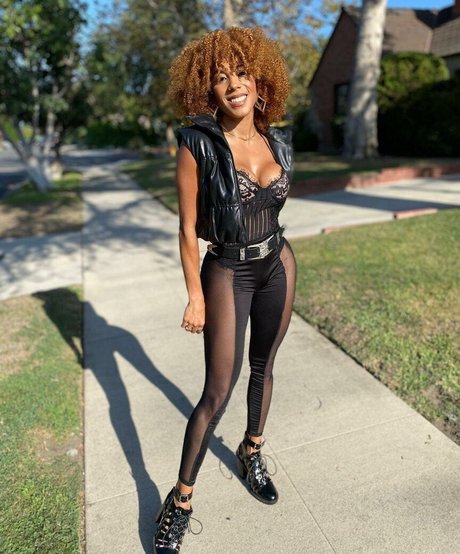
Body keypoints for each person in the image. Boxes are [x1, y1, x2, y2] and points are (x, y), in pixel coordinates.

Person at [154, 26, 296, 553]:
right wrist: (195, 295)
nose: (233, 84)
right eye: (220, 77)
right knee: (217, 390)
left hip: (277, 263)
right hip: (227, 272)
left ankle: (251, 450)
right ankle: (180, 501)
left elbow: (271, 207)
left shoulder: (277, 139)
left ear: (260, 80)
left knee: (265, 367)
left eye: (241, 72)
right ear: (207, 89)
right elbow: (187, 227)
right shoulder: (196, 143)